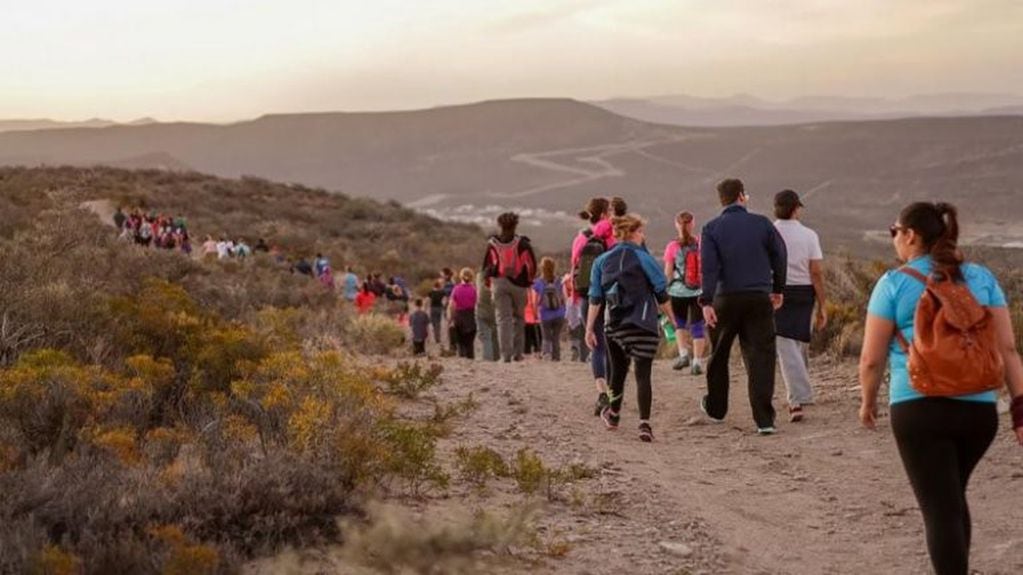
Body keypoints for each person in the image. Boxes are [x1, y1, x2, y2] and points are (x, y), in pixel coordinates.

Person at [859, 202, 1023, 575]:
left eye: (894, 232)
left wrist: (867, 403)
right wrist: (1019, 409)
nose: (894, 239)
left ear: (910, 236)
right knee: (950, 499)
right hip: (980, 410)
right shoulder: (981, 278)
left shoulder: (893, 282)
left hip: (919, 409)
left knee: (940, 507)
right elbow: (1008, 348)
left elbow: (870, 359)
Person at [699, 178, 787, 435]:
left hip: (724, 299)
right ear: (741, 196)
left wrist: (706, 300)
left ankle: (716, 409)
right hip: (759, 298)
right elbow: (780, 256)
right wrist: (778, 289)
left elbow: (709, 268)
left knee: (719, 354)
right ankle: (764, 420)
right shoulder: (762, 224)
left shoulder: (711, 228)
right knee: (761, 357)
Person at [586, 214, 675, 442]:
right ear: (634, 233)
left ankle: (614, 415)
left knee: (617, 372)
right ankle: (644, 424)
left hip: (614, 325)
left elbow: (595, 298)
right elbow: (661, 293)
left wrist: (588, 329)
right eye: (641, 232)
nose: (643, 235)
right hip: (645, 325)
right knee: (643, 375)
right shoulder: (644, 258)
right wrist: (674, 321)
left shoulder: (601, 261)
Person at [773, 190, 827, 423]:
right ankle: (797, 397)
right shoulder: (809, 235)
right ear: (796, 209)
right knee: (795, 343)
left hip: (778, 291)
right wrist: (823, 304)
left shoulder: (770, 233)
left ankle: (797, 398)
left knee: (788, 344)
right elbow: (816, 271)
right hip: (805, 292)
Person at [572, 198, 615, 415]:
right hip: (612, 295)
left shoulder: (581, 238)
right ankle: (615, 390)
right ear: (607, 213)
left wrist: (575, 297)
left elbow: (575, 270)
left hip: (587, 296)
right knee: (611, 343)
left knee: (596, 343)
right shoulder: (614, 236)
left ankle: (602, 393)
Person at [482, 212, 537, 362]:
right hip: (519, 284)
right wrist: (529, 281)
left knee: (503, 319)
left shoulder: (492, 243)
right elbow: (531, 265)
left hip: (499, 283)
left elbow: (486, 265)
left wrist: (488, 283)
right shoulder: (523, 243)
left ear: (499, 225)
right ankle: (518, 354)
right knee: (519, 318)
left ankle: (505, 355)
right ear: (515, 225)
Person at [663, 211, 707, 376]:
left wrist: (664, 290)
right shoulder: (700, 243)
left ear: (676, 224)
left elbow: (668, 272)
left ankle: (683, 355)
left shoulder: (672, 247)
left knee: (679, 324)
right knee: (697, 327)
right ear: (692, 223)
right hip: (698, 291)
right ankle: (697, 362)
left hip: (677, 292)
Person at [534, 257, 567, 361]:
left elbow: (536, 300)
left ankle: (546, 355)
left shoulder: (538, 282)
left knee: (546, 336)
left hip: (545, 314)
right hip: (559, 313)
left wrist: (535, 312)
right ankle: (556, 357)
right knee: (556, 337)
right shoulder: (560, 281)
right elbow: (564, 298)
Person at [448, 267, 478, 359]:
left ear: (461, 277)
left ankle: (462, 357)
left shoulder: (456, 289)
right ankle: (470, 358)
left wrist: (451, 318)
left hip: (459, 315)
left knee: (460, 342)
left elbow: (452, 305)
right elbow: (477, 304)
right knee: (469, 342)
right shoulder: (474, 290)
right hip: (471, 315)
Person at [564, 272, 588, 363]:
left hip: (572, 304)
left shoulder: (567, 279)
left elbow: (566, 295)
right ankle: (584, 355)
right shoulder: (585, 277)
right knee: (584, 331)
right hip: (583, 302)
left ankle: (575, 349)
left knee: (574, 331)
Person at [475, 271, 500, 361]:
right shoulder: (495, 287)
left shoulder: (481, 286)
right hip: (494, 312)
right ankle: (497, 357)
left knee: (486, 337)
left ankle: (488, 358)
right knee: (495, 336)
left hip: (481, 312)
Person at [523, 287, 542, 358]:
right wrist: (535, 315)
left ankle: (527, 355)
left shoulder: (522, 290)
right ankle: (537, 353)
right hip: (533, 319)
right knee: (537, 339)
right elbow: (535, 303)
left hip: (524, 318)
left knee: (526, 339)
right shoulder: (534, 290)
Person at [427, 280, 447, 345]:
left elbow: (428, 300)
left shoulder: (431, 292)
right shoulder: (442, 292)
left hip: (433, 308)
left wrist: (426, 308)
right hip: (439, 308)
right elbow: (445, 299)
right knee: (438, 322)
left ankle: (436, 336)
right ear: (439, 286)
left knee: (434, 323)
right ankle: (437, 337)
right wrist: (444, 305)